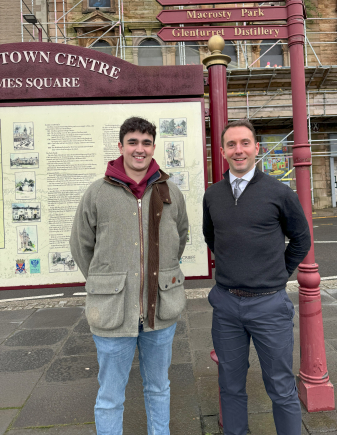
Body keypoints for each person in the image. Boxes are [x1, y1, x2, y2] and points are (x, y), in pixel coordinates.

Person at [70, 116, 188, 435]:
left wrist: (161, 271)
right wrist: (105, 283)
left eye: (146, 142)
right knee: (110, 397)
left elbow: (181, 236)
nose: (140, 149)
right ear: (120, 146)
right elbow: (81, 245)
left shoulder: (171, 193)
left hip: (160, 311)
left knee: (159, 389)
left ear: (153, 147)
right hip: (112, 312)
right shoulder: (97, 193)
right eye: (133, 142)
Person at [203, 120, 311, 435]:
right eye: (232, 144)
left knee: (280, 386)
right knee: (230, 385)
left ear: (256, 149)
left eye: (245, 143)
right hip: (226, 306)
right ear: (222, 151)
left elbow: (301, 239)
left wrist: (277, 273)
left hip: (269, 306)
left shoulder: (279, 192)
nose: (239, 150)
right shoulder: (212, 195)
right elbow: (213, 238)